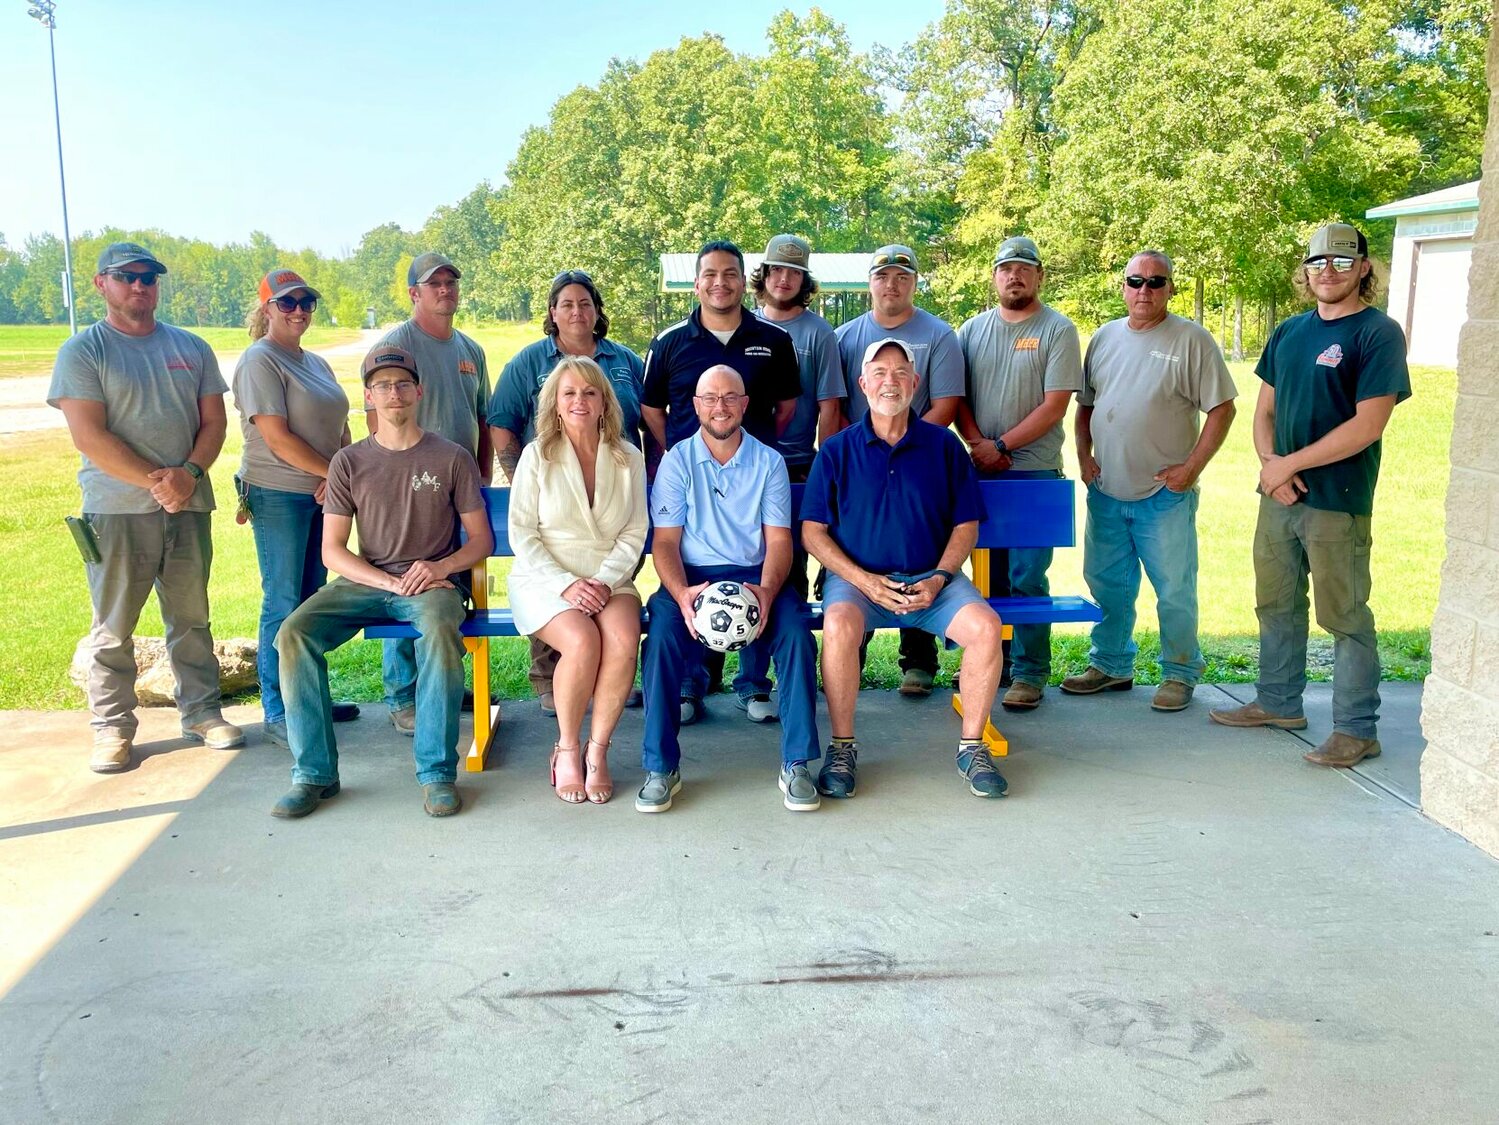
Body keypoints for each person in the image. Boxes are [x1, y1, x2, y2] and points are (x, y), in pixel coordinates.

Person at [1210, 223, 1410, 767]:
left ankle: (1356, 728)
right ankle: (1277, 702)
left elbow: (1368, 424)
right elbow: (1264, 411)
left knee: (1344, 615)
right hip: (1279, 495)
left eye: (1343, 262)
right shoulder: (1289, 332)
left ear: (1364, 268)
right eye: (1319, 262)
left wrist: (1288, 465)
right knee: (1275, 604)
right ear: (1305, 271)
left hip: (1337, 499)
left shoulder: (1377, 333)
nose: (1329, 271)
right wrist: (1272, 467)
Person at [271, 344, 491, 819]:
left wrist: (442, 567)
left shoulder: (450, 457)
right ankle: (313, 773)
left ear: (420, 391)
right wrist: (387, 584)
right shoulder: (349, 462)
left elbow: (481, 540)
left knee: (437, 631)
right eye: (383, 386)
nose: (395, 393)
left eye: (403, 384)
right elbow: (333, 549)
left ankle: (436, 774)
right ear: (368, 396)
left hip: (433, 584)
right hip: (369, 581)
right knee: (293, 633)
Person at [49, 241, 243, 773]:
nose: (139, 285)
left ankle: (202, 712)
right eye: (126, 276)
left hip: (190, 503)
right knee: (113, 625)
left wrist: (192, 475)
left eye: (149, 277)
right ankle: (112, 727)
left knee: (191, 616)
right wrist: (160, 483)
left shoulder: (191, 347)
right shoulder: (84, 351)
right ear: (101, 284)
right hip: (116, 510)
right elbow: (88, 435)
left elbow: (214, 423)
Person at [802, 339, 1007, 800]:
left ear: (916, 384)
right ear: (862, 384)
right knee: (836, 625)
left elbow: (966, 524)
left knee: (986, 627)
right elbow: (812, 533)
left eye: (900, 373)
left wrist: (938, 577)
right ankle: (842, 746)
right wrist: (864, 581)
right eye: (878, 372)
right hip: (860, 582)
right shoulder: (836, 450)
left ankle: (972, 746)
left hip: (932, 580)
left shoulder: (944, 446)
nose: (889, 382)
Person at [637, 365, 822, 814]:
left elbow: (779, 541)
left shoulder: (769, 462)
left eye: (729, 397)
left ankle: (796, 762)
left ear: (745, 404)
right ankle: (661, 767)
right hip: (692, 574)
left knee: (797, 635)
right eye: (710, 398)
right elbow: (665, 542)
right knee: (660, 638)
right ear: (697, 406)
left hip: (755, 574)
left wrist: (765, 591)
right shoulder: (676, 461)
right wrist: (682, 595)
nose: (720, 407)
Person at [1064, 251, 1238, 712]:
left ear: (1170, 289)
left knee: (1174, 588)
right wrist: (1084, 456)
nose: (1145, 290)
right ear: (1123, 287)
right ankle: (1112, 665)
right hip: (1106, 490)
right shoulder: (1102, 338)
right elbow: (1086, 406)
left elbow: (1222, 409)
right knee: (1106, 583)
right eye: (1135, 281)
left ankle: (1179, 673)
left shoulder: (1192, 341)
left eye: (1156, 282)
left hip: (1164, 494)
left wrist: (1191, 469)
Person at [640, 240, 801, 725]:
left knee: (762, 565)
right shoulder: (669, 342)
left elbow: (787, 406)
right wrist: (684, 452)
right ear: (696, 283)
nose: (720, 282)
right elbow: (651, 409)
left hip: (755, 476)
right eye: (710, 274)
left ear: (742, 280)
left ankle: (753, 685)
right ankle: (690, 685)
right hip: (691, 483)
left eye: (730, 273)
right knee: (694, 572)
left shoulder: (773, 339)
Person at [488, 270, 645, 718]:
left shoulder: (624, 360)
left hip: (614, 489)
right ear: (552, 313)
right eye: (566, 304)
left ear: (597, 311)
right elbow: (501, 422)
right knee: (570, 611)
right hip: (551, 496)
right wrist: (528, 475)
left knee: (604, 606)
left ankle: (597, 689)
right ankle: (551, 683)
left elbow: (649, 416)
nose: (577, 311)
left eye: (585, 303)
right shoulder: (530, 361)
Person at [507, 356, 648, 804]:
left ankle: (598, 751)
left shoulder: (629, 457)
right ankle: (567, 747)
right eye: (569, 393)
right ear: (555, 402)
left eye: (590, 392)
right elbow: (521, 533)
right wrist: (567, 584)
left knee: (624, 641)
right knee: (583, 640)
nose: (580, 401)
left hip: (610, 577)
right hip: (544, 578)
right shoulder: (537, 455)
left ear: (605, 401)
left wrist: (604, 581)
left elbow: (635, 530)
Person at [232, 268, 359, 749]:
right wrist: (334, 475)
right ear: (267, 309)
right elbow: (278, 439)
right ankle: (279, 711)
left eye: (306, 302)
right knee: (283, 601)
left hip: (323, 493)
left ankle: (310, 700)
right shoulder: (260, 361)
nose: (299, 310)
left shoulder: (316, 363)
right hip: (278, 492)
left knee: (310, 603)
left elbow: (340, 427)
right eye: (287, 303)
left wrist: (339, 473)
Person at [955, 236, 1084, 710]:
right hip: (980, 472)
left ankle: (1029, 672)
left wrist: (1003, 446)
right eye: (1006, 268)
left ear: (1039, 276)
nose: (1015, 276)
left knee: (1028, 576)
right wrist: (979, 446)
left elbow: (1055, 405)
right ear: (994, 277)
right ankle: (992, 664)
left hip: (1034, 474)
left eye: (1024, 269)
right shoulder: (971, 330)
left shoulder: (1057, 330)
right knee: (983, 576)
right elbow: (958, 398)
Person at [834, 244, 966, 698]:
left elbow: (946, 401)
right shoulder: (846, 336)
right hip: (862, 461)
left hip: (920, 454)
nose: (892, 284)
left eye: (902, 276)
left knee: (916, 546)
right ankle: (847, 667)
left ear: (914, 282)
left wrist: (907, 443)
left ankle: (919, 663)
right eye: (883, 275)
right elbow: (835, 406)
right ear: (870, 282)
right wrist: (864, 453)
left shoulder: (939, 334)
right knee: (863, 555)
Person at [373, 252, 492, 736]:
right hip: (408, 484)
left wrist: (482, 476)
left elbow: (482, 417)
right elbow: (377, 416)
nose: (445, 289)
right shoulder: (395, 346)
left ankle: (440, 680)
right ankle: (404, 695)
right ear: (414, 294)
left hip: (459, 484)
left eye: (451, 281)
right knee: (405, 577)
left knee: (448, 582)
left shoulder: (471, 350)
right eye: (434, 283)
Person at [739, 233, 846, 722]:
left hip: (798, 463)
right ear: (763, 275)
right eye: (777, 270)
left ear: (804, 280)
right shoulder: (741, 326)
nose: (784, 279)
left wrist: (826, 465)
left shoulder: (818, 333)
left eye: (795, 272)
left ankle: (784, 681)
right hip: (740, 466)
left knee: (789, 575)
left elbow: (829, 404)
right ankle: (747, 681)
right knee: (742, 567)